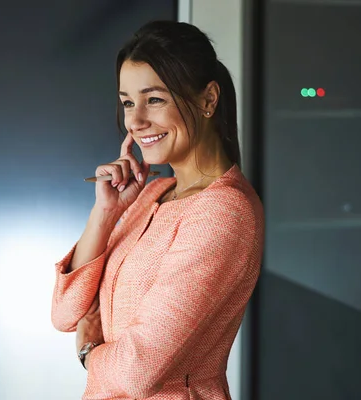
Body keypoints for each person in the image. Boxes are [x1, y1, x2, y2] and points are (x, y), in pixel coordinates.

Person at [51, 20, 264, 399]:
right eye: (128, 102)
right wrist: (106, 214)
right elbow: (66, 313)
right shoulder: (153, 194)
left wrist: (89, 353)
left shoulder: (223, 212)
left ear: (207, 100)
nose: (135, 120)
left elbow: (138, 370)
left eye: (154, 99)